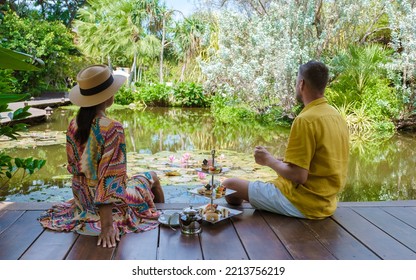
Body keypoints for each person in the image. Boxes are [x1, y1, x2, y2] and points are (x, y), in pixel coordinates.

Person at [39, 64, 165, 247]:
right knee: (152, 177)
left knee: (136, 180)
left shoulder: (73, 124)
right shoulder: (112, 127)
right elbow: (110, 179)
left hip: (82, 201)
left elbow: (75, 169)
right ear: (108, 96)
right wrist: (107, 226)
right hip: (110, 206)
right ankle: (160, 216)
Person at [223, 60, 349, 219]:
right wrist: (283, 160)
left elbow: (298, 176)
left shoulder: (305, 120)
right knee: (256, 185)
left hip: (302, 203)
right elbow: (322, 161)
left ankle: (263, 210)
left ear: (301, 84)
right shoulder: (336, 116)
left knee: (229, 186)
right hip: (327, 203)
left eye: (297, 82)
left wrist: (268, 160)